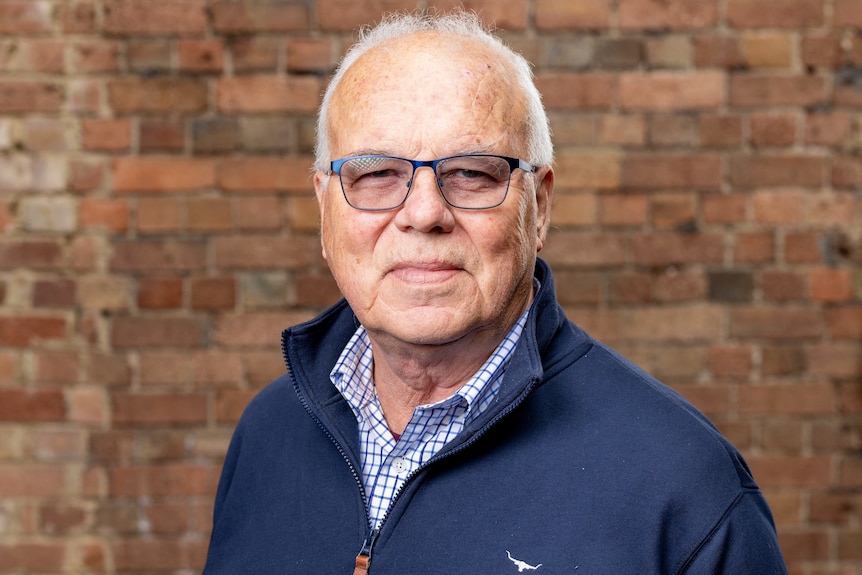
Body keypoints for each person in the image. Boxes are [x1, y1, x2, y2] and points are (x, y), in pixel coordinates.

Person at [203, 11, 788, 575]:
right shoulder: (269, 433)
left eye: (472, 173)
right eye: (376, 173)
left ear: (540, 208)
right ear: (325, 208)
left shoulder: (683, 486)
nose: (424, 213)